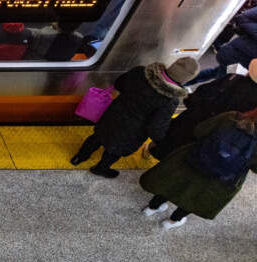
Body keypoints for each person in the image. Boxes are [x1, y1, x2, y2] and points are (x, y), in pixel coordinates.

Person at [70, 58, 198, 178]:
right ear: (185, 79)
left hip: (113, 115)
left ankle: (79, 157)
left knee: (97, 137)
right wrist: (159, 140)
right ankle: (100, 168)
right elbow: (156, 127)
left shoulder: (141, 72)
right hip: (132, 132)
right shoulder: (170, 100)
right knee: (115, 150)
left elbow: (119, 84)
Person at [138, 109, 257, 231]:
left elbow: (200, 130)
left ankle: (152, 208)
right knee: (196, 197)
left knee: (173, 183)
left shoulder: (233, 117)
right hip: (222, 177)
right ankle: (172, 221)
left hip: (195, 158)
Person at [150, 58, 257, 160]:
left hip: (194, 118)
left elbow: (203, 92)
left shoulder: (233, 78)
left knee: (171, 140)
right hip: (213, 133)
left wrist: (190, 101)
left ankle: (155, 154)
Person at [188, 4, 257, 86]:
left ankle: (181, 82)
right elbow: (243, 17)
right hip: (237, 57)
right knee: (220, 84)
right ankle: (179, 85)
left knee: (215, 74)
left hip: (246, 67)